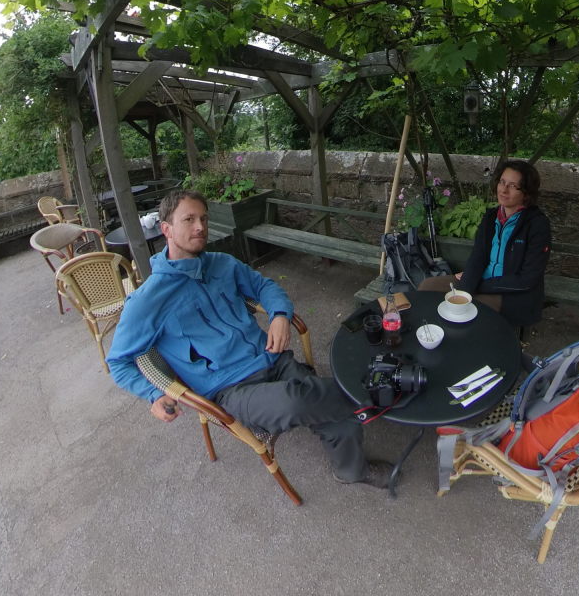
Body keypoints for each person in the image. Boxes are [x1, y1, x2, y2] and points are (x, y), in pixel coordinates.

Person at [106, 190, 391, 489]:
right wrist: (153, 395)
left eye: (203, 218)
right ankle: (372, 395)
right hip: (231, 389)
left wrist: (279, 315)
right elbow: (118, 362)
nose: (200, 227)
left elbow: (265, 287)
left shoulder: (222, 264)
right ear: (166, 229)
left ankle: (351, 470)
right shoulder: (147, 300)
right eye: (188, 220)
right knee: (300, 398)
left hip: (271, 357)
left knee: (318, 402)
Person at [419, 159, 551, 329]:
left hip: (511, 294)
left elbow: (527, 279)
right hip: (481, 281)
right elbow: (478, 257)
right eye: (502, 182)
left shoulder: (537, 225)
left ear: (526, 193)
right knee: (427, 288)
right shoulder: (491, 217)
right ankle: (430, 333)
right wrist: (466, 288)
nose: (503, 189)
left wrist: (478, 286)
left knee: (468, 311)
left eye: (512, 186)